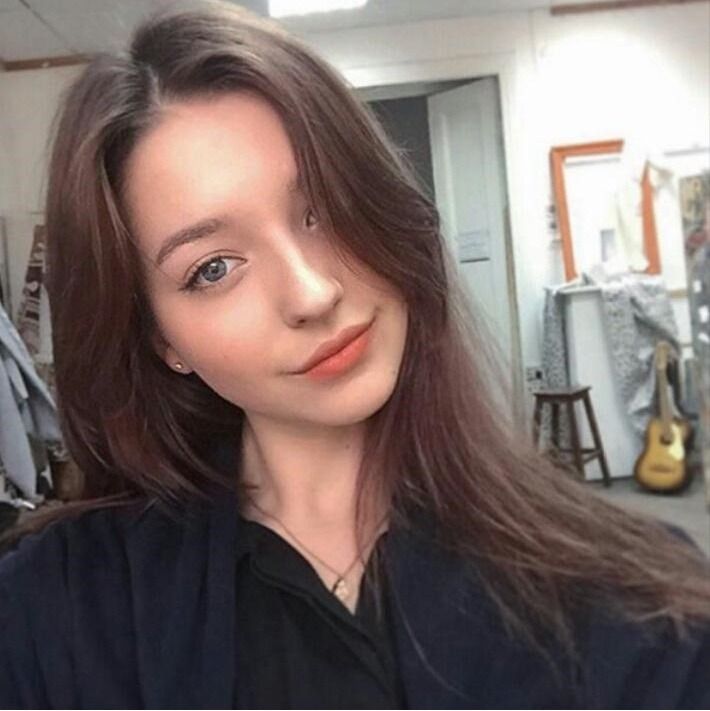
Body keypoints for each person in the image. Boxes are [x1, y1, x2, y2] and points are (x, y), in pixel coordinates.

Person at [0, 1, 709, 707]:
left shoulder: (640, 611)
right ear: (163, 339)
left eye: (323, 209)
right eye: (213, 268)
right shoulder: (54, 615)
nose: (312, 293)